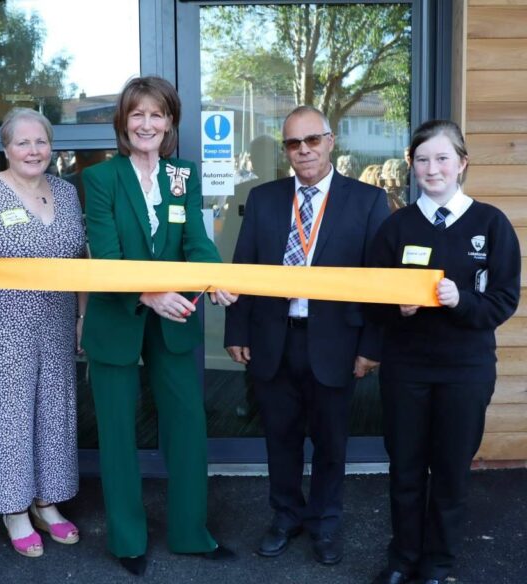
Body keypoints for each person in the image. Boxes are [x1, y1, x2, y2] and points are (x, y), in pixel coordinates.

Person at [81, 76, 238, 576]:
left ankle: (192, 533)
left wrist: (214, 280)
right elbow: (105, 255)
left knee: (188, 425)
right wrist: (147, 294)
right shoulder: (102, 179)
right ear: (124, 122)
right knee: (118, 432)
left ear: (170, 122)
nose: (147, 123)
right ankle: (128, 541)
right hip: (118, 314)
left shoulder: (183, 176)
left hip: (175, 317)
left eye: (157, 114)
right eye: (137, 114)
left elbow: (196, 239)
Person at [224, 105, 391, 566]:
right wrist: (237, 329)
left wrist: (371, 346)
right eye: (294, 144)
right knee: (280, 438)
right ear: (286, 150)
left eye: (312, 140)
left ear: (330, 141)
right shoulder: (264, 198)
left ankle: (325, 524)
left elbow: (378, 283)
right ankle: (285, 517)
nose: (304, 151)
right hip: (274, 339)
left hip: (337, 343)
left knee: (331, 442)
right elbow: (245, 269)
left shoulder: (368, 201)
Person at [367, 120, 520, 584]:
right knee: (407, 469)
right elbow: (373, 302)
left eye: (442, 158)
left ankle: (438, 564)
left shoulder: (491, 225)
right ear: (412, 167)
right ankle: (403, 559)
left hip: (465, 370)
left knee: (452, 471)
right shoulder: (396, 228)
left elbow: (504, 299)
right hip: (406, 369)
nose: (432, 168)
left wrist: (462, 301)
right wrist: (401, 310)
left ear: (461, 164)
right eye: (422, 159)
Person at [0, 108, 86, 559]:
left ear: (52, 147)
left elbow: (82, 265)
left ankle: (46, 502)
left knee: (55, 414)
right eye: (23, 142)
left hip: (58, 321)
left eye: (41, 142)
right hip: (4, 325)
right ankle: (14, 511)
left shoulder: (67, 194)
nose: (34, 151)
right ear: (6, 148)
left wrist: (82, 319)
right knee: (10, 418)